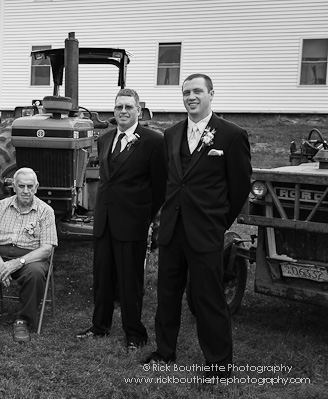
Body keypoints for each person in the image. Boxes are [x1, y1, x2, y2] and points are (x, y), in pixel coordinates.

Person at [144, 74, 252, 378]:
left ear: (211, 94)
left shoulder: (231, 135)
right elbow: (169, 180)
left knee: (208, 297)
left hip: (205, 230)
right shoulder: (171, 134)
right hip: (172, 229)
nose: (191, 96)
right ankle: (164, 352)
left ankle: (218, 364)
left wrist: (217, 222)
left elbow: (240, 186)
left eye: (197, 91)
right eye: (186, 92)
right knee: (166, 294)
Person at [76, 88, 167, 350]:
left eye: (128, 107)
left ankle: (134, 334)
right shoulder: (104, 140)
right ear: (114, 111)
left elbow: (160, 186)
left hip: (133, 223)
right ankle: (100, 326)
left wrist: (144, 217)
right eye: (119, 107)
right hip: (103, 222)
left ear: (139, 110)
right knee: (102, 279)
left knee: (130, 282)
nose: (123, 111)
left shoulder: (153, 141)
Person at [0, 167, 58, 342]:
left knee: (35, 273)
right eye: (21, 186)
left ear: (37, 187)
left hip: (31, 257)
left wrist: (17, 262)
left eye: (30, 186)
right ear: (14, 186)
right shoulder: (0, 206)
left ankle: (22, 320)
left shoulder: (46, 211)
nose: (26, 191)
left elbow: (47, 248)